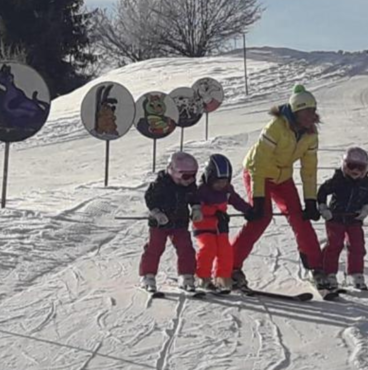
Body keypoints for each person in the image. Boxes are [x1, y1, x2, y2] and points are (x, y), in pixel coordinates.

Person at [231, 84, 326, 290]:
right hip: (258, 173)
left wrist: (310, 200)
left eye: (313, 110)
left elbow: (309, 169)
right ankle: (230, 267)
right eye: (307, 111)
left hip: (282, 176)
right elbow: (259, 163)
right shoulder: (276, 127)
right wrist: (257, 199)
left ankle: (316, 268)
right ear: (296, 112)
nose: (312, 115)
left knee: (300, 218)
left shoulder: (310, 134)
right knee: (261, 217)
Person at [139, 151, 202, 293]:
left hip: (180, 222)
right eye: (186, 176)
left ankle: (186, 275)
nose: (190, 180)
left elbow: (194, 197)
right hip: (160, 224)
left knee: (186, 249)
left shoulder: (189, 185)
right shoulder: (161, 184)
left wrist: (196, 209)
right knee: (154, 248)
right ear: (174, 171)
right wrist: (156, 213)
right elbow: (150, 198)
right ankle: (147, 275)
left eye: (193, 175)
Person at [193, 153, 255, 293]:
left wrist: (248, 211)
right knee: (208, 248)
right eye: (218, 181)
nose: (221, 184)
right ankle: (203, 278)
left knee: (225, 251)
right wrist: (214, 212)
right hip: (204, 225)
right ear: (210, 177)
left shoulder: (227, 190)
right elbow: (197, 208)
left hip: (221, 226)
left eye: (225, 181)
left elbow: (236, 200)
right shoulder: (202, 191)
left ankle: (222, 278)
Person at [318, 147, 368, 291]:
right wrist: (323, 208)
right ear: (344, 165)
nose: (355, 171)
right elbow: (322, 191)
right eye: (351, 166)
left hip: (354, 219)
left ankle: (356, 274)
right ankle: (329, 273)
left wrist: (366, 209)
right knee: (334, 245)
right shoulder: (338, 180)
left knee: (357, 246)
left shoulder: (366, 182)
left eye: (360, 167)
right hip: (335, 218)